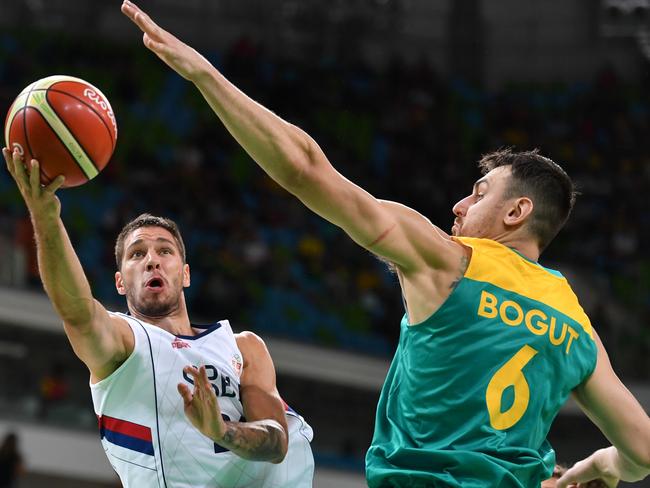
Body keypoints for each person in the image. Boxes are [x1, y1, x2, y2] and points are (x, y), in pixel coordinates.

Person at [119, 1, 650, 486]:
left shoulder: (449, 260)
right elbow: (643, 452)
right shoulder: (576, 324)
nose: (459, 207)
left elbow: (306, 169)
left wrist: (205, 75)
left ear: (517, 212)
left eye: (479, 193)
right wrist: (600, 462)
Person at [1, 149, 314, 488]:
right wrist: (46, 215)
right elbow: (77, 311)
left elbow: (276, 441)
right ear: (120, 282)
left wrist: (222, 431)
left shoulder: (244, 348)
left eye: (165, 250)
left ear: (186, 274)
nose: (152, 260)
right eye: (137, 254)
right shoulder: (124, 343)